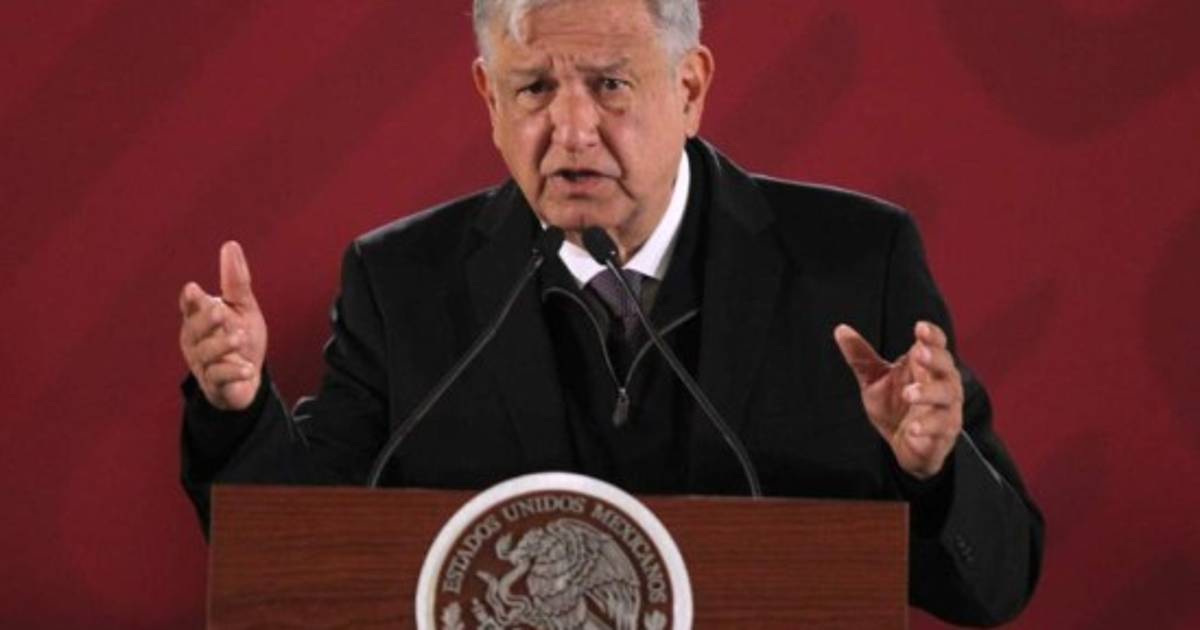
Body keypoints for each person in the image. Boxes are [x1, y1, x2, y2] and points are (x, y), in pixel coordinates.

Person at [177, 0, 1043, 625]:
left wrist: (931, 473)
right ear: (488, 99)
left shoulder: (853, 263)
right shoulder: (403, 282)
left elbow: (996, 585)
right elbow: (297, 552)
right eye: (533, 90)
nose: (572, 130)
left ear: (690, 87)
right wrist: (237, 412)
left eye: (610, 85)